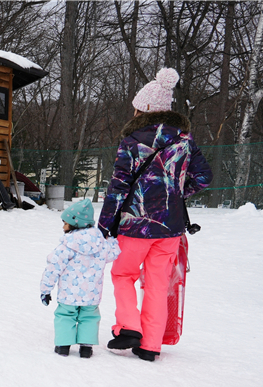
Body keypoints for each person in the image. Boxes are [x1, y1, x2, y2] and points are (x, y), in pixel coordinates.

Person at [97, 68, 211, 362]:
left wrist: (104, 224)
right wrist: (174, 194)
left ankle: (129, 327)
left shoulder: (132, 140)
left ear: (144, 108)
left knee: (123, 274)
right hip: (170, 228)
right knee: (158, 284)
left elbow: (119, 185)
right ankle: (150, 345)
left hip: (135, 224)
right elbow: (204, 177)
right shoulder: (185, 141)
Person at [41, 198, 121, 358]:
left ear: (76, 223)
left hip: (67, 295)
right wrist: (112, 240)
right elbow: (114, 253)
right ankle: (86, 348)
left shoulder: (67, 246)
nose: (63, 226)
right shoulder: (101, 244)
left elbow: (53, 268)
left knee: (65, 316)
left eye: (65, 223)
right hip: (92, 294)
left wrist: (45, 290)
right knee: (90, 318)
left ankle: (63, 346)